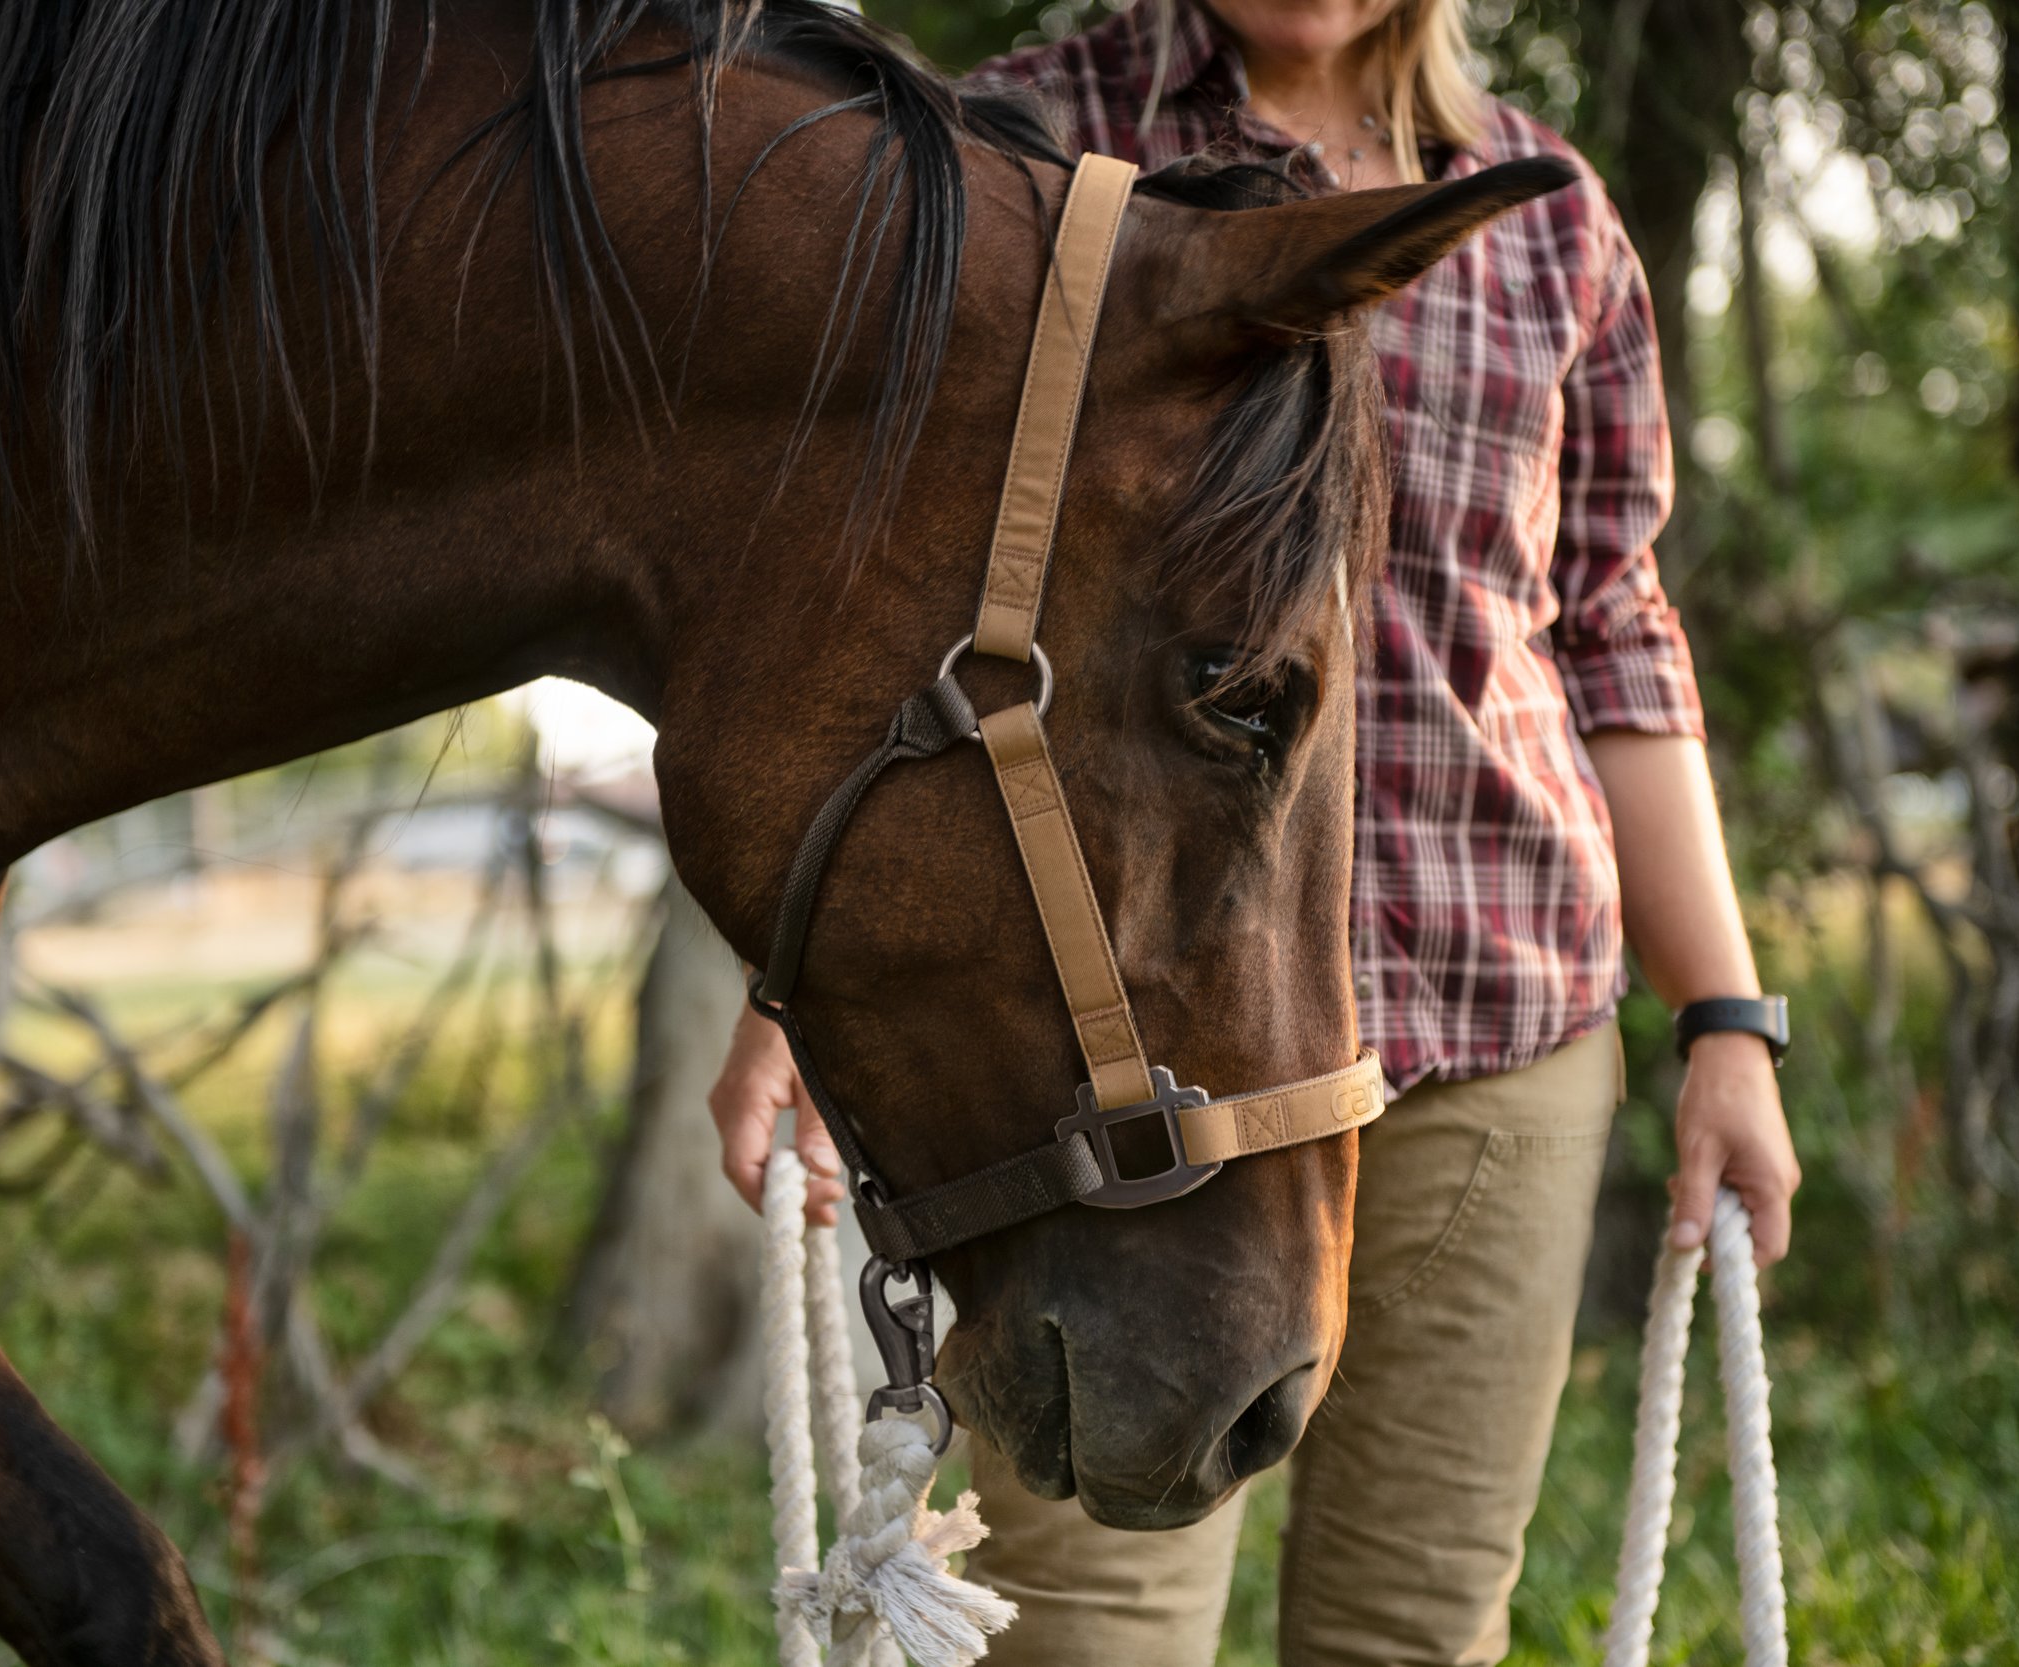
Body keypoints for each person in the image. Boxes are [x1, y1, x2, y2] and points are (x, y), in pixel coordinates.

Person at [707, 1, 1803, 1661]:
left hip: (1488, 1019)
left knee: (1411, 1638)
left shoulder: (1547, 211)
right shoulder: (1013, 146)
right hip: (1124, 1069)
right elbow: (877, 596)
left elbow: (1610, 631)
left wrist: (1726, 1018)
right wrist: (794, 992)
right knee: (1086, 1640)